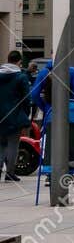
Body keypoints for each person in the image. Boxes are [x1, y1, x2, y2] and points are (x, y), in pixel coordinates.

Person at [0, 51, 31, 181]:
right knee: (13, 145)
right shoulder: (21, 77)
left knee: (0, 144)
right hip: (14, 116)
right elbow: (26, 98)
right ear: (19, 61)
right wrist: (26, 114)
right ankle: (10, 173)